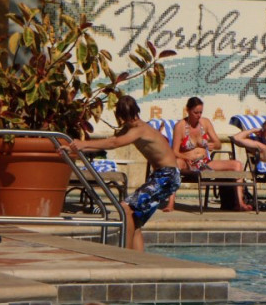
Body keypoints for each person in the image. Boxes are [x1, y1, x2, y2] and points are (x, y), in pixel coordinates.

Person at [62, 95, 180, 251]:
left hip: (168, 176)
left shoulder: (140, 129)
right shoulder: (130, 127)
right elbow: (107, 143)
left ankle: (124, 255)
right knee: (135, 220)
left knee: (125, 207)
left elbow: (114, 143)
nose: (128, 121)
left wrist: (83, 143)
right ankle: (138, 262)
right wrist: (74, 148)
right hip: (161, 175)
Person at [169, 96, 252, 212]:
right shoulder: (180, 126)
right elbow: (174, 151)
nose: (198, 115)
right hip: (187, 163)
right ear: (187, 110)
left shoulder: (205, 123)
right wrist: (186, 157)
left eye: (200, 112)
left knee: (237, 165)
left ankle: (240, 203)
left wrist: (214, 145)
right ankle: (170, 203)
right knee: (176, 164)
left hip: (204, 163)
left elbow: (218, 143)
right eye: (195, 112)